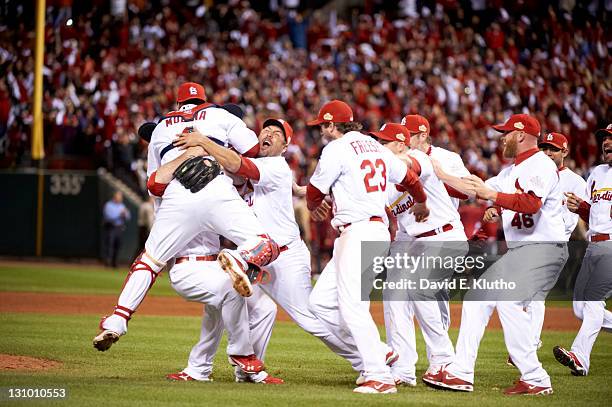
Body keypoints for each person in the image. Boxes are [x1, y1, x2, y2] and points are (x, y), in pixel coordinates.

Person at [93, 82, 280, 364]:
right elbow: (254, 151)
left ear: (179, 104)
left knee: (150, 260)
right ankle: (239, 259)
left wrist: (182, 158)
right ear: (205, 100)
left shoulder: (159, 128)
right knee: (265, 244)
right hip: (216, 185)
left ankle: (118, 319)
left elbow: (155, 185)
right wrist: (212, 145)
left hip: (177, 194)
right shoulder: (222, 116)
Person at [170, 117, 369, 381]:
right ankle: (241, 371)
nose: (269, 134)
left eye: (277, 133)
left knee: (310, 319)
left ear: (285, 147)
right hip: (258, 257)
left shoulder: (275, 166)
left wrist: (203, 141)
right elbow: (237, 170)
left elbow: (239, 164)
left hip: (285, 257)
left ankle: (370, 358)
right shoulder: (245, 173)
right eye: (266, 130)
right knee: (254, 308)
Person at [423, 114, 568, 395]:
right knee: (477, 299)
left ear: (522, 134)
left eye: (506, 133)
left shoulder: (540, 164)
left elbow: (530, 203)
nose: (502, 137)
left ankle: (535, 377)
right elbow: (473, 188)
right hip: (524, 251)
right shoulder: (511, 171)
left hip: (544, 248)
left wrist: (495, 197)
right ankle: (461, 372)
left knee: (509, 301)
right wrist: (440, 175)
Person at [304, 100, 429, 394]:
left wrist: (313, 207)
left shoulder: (335, 148)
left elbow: (314, 191)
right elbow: (410, 179)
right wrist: (422, 202)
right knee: (319, 303)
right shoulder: (375, 147)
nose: (321, 130)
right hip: (368, 230)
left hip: (360, 230)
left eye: (323, 125)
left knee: (352, 306)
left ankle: (379, 376)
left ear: (333, 125)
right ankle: (378, 351)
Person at [370, 123, 470, 387]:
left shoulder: (419, 158)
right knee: (394, 295)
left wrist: (396, 160)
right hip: (416, 242)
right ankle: (403, 368)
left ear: (401, 144)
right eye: (377, 142)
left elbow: (410, 167)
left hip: (445, 236)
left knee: (419, 288)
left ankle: (445, 360)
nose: (379, 147)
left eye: (385, 142)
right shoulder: (383, 181)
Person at [553, 124, 612, 376]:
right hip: (593, 243)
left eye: (611, 138)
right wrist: (580, 208)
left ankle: (580, 357)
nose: (606, 143)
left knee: (592, 301)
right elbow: (594, 213)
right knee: (580, 308)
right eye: (604, 139)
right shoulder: (597, 173)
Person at [102, 191, 131, 268]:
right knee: (109, 245)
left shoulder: (122, 206)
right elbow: (109, 217)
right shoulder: (109, 205)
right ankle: (108, 263)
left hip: (119, 227)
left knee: (117, 246)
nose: (120, 199)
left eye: (121, 197)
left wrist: (124, 214)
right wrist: (119, 214)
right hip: (111, 227)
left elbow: (128, 216)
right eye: (119, 197)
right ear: (115, 197)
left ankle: (114, 263)